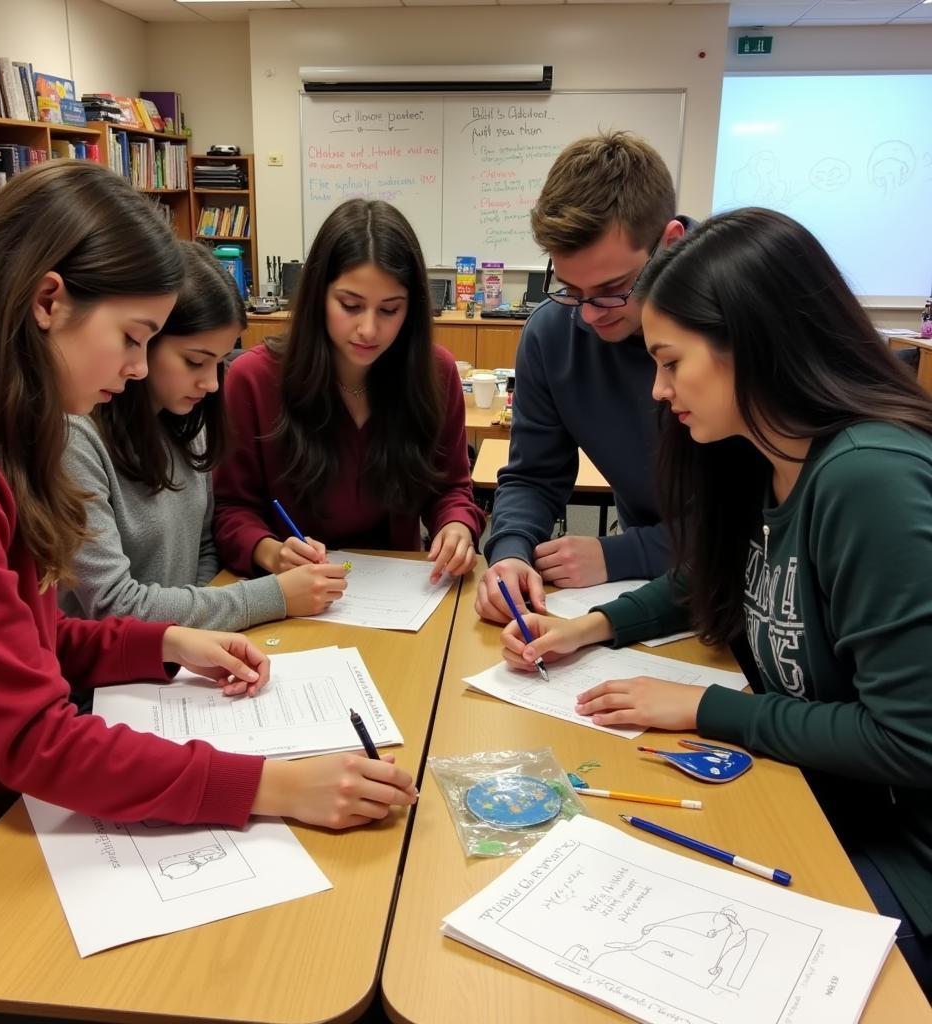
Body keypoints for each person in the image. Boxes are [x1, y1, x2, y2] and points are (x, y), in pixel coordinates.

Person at [0, 163, 417, 916]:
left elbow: (36, 641)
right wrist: (273, 785)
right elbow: (34, 737)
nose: (139, 369)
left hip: (8, 800)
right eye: (133, 338)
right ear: (50, 300)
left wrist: (166, 645)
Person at [500, 207, 932, 995]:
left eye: (669, 361)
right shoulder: (764, 456)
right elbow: (710, 577)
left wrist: (704, 710)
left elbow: (911, 741)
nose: (658, 391)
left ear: (749, 342)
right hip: (820, 801)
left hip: (905, 862)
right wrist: (592, 626)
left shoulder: (869, 479)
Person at [59, 240, 346, 632]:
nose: (211, 383)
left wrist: (199, 634)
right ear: (145, 342)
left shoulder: (188, 424)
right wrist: (273, 597)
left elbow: (206, 548)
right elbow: (112, 603)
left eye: (220, 361)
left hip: (180, 660)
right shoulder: (77, 439)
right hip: (114, 678)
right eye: (195, 361)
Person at [476, 131, 691, 624]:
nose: (590, 315)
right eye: (573, 288)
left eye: (613, 289)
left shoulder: (732, 317)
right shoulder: (552, 332)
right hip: (653, 591)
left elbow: (760, 524)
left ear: (670, 244)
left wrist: (621, 554)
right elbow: (534, 474)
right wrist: (510, 550)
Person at [214, 198, 484, 582]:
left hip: (402, 590)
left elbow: (451, 488)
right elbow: (230, 508)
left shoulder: (434, 374)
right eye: (350, 305)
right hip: (291, 597)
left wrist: (456, 526)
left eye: (390, 310)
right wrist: (271, 552)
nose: (369, 330)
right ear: (318, 296)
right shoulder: (254, 379)